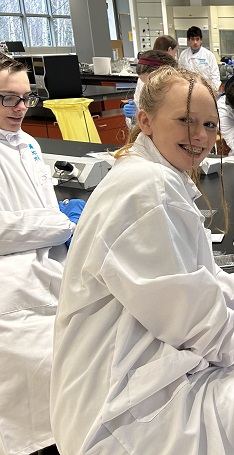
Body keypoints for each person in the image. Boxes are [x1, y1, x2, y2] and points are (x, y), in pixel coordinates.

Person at [50, 66, 234, 455]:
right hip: (130, 412)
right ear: (145, 120)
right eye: (185, 121)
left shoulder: (153, 175)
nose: (200, 136)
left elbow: (197, 282)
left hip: (145, 369)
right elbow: (190, 317)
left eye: (209, 124)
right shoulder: (149, 188)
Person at [0, 56, 85, 455]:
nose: (21, 108)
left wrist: (60, 223)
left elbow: (39, 208)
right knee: (36, 404)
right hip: (11, 291)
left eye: (26, 98)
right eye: (8, 99)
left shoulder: (28, 144)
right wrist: (60, 224)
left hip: (50, 271)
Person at [123, 50, 178, 128]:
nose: (146, 88)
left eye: (150, 83)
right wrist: (134, 117)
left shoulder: (178, 93)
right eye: (143, 83)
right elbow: (136, 128)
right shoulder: (142, 82)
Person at [177, 26, 221, 91]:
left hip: (205, 89)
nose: (195, 42)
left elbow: (215, 75)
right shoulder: (183, 55)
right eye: (192, 39)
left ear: (201, 40)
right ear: (188, 40)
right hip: (187, 89)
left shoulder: (208, 55)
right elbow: (180, 74)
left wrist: (213, 90)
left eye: (197, 39)